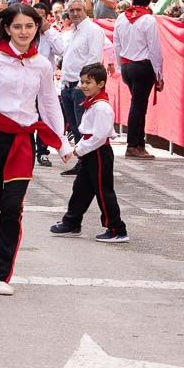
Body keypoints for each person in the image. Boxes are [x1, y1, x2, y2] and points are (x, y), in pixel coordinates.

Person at [0, 4, 74, 296]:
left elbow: (48, 104)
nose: (24, 32)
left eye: (30, 27)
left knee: (12, 208)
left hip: (23, 141)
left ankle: (1, 275)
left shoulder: (43, 65)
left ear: (38, 29)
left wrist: (62, 142)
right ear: (7, 28)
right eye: (18, 27)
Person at [50, 62, 128, 242]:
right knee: (81, 189)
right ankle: (72, 222)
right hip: (91, 152)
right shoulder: (92, 104)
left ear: (100, 84)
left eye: (88, 82)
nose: (84, 86)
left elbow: (99, 137)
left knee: (103, 191)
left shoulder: (101, 107)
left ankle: (116, 228)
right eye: (82, 82)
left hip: (99, 153)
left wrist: (78, 150)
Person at [113, 0, 164, 160]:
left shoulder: (121, 17)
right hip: (143, 66)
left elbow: (116, 44)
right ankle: (134, 145)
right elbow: (154, 49)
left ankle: (137, 143)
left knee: (137, 105)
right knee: (139, 107)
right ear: (148, 0)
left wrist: (121, 67)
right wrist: (159, 74)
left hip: (127, 66)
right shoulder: (148, 20)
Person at [57, 0, 104, 164]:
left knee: (83, 128)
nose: (75, 13)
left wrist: (81, 85)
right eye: (72, 10)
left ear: (86, 10)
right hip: (68, 85)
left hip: (80, 87)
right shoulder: (72, 32)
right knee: (75, 128)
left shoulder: (93, 30)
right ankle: (81, 163)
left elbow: (94, 59)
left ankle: (87, 163)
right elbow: (67, 58)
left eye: (79, 10)